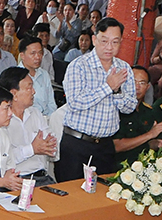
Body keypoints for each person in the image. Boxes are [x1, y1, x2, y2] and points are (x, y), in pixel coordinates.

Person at [57, 18, 136, 181]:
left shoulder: (124, 68)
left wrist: (117, 91)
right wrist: (108, 87)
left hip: (106, 146)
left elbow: (130, 107)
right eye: (104, 41)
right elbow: (75, 102)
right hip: (77, 144)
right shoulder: (78, 65)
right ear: (94, 40)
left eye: (115, 42)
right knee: (71, 192)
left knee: (103, 191)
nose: (109, 47)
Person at [0, 67, 58, 185]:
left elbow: (51, 143)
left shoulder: (35, 113)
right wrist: (32, 149)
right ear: (14, 94)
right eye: (29, 88)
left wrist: (50, 147)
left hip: (43, 177)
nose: (33, 92)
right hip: (17, 180)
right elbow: (3, 158)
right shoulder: (1, 120)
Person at [111, 65, 162, 168]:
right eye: (133, 81)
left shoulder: (148, 111)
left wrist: (158, 143)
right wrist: (150, 134)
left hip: (142, 167)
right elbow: (116, 146)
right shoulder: (114, 108)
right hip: (116, 167)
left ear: (147, 87)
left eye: (142, 83)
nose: (137, 87)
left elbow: (147, 144)